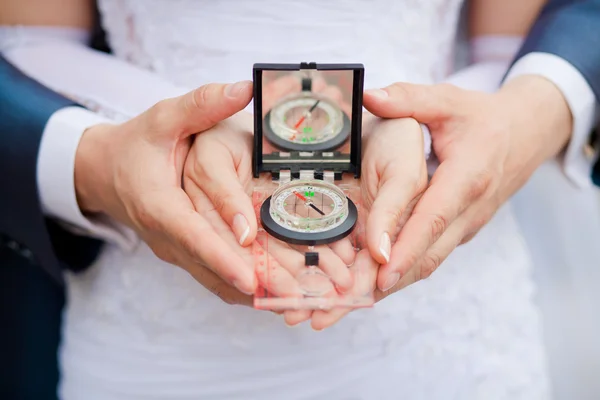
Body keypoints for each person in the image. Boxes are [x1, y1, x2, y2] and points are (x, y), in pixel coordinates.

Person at [0, 1, 597, 400]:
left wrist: (412, 129)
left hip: (441, 337)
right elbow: (32, 39)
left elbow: (507, 54)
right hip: (159, 347)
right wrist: (171, 132)